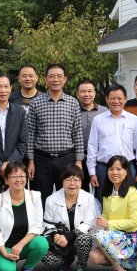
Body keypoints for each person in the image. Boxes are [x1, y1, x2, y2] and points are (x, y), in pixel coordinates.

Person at [27, 64, 85, 204]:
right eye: (52, 76)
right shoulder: (36, 103)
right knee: (40, 198)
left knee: (67, 197)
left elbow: (77, 133)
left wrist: (78, 162)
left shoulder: (73, 103)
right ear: (45, 80)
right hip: (42, 160)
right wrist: (31, 161)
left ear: (64, 79)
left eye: (59, 76)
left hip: (66, 158)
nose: (55, 79)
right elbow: (30, 134)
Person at [88, 156, 137, 271]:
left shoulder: (134, 193)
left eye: (119, 169)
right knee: (94, 256)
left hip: (131, 238)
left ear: (126, 171)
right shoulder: (108, 192)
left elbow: (134, 222)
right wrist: (101, 226)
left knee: (99, 237)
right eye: (111, 169)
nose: (114, 172)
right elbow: (104, 215)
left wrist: (108, 224)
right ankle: (125, 265)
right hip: (115, 235)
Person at [87, 84, 137, 209]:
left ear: (125, 99)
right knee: (104, 204)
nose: (116, 101)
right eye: (112, 98)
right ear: (106, 99)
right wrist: (92, 172)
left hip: (128, 168)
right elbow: (92, 148)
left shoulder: (134, 120)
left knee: (128, 204)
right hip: (104, 169)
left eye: (119, 98)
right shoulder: (98, 120)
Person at [0, 162, 48, 271]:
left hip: (24, 245)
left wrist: (20, 244)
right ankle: (9, 262)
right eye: (14, 176)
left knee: (42, 242)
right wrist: (5, 253)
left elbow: (37, 226)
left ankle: (27, 269)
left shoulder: (35, 196)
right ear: (6, 180)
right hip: (5, 247)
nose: (19, 179)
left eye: (22, 176)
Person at [41, 164, 96, 271]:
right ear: (62, 181)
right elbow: (47, 223)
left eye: (76, 180)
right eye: (68, 180)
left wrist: (68, 236)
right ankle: (67, 258)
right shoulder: (51, 199)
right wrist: (55, 235)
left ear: (81, 182)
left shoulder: (88, 198)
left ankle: (81, 265)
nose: (72, 184)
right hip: (60, 241)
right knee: (46, 258)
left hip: (78, 239)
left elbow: (88, 224)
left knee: (84, 239)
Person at [76, 79, 107, 192]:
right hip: (78, 157)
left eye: (90, 91)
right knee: (80, 190)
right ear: (77, 94)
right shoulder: (73, 111)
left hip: (98, 158)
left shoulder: (104, 111)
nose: (86, 94)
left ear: (94, 93)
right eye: (83, 91)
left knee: (100, 189)